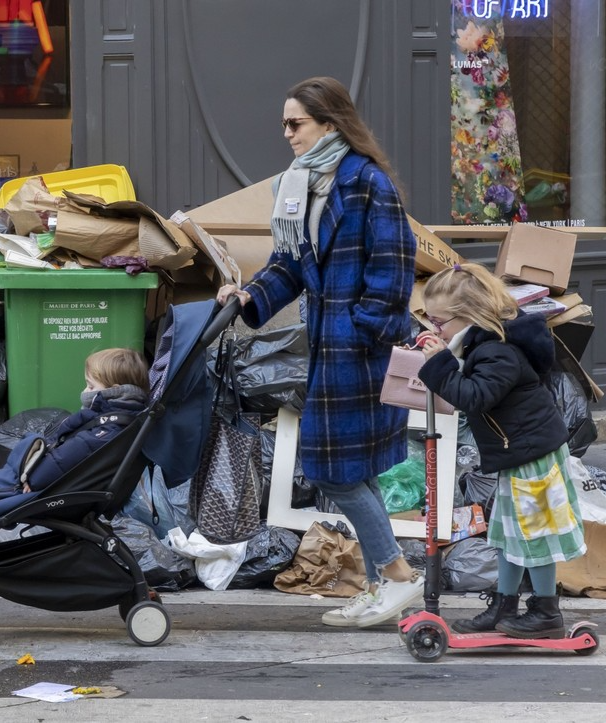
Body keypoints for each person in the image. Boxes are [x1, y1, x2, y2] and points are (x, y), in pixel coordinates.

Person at [216, 76, 420, 628]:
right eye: (284, 123)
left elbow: (394, 267)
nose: (287, 133)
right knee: (356, 470)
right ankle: (381, 585)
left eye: (296, 123)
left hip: (358, 350)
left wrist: (362, 331)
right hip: (330, 346)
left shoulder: (367, 182)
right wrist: (250, 296)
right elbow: (289, 264)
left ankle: (397, 574)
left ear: (330, 124)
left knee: (333, 471)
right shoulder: (299, 184)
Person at [417, 263, 585, 638]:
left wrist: (439, 364)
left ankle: (546, 611)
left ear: (468, 315)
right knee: (509, 534)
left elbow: (474, 397)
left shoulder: (499, 352)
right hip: (519, 453)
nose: (434, 328)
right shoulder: (483, 343)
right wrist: (445, 356)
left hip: (533, 456)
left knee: (534, 534)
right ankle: (504, 603)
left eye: (438, 321)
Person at [0, 348, 149, 568]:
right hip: (63, 488)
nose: (85, 392)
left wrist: (32, 478)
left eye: (90, 386)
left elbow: (61, 461)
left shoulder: (102, 433)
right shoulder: (115, 424)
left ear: (112, 390)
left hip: (49, 491)